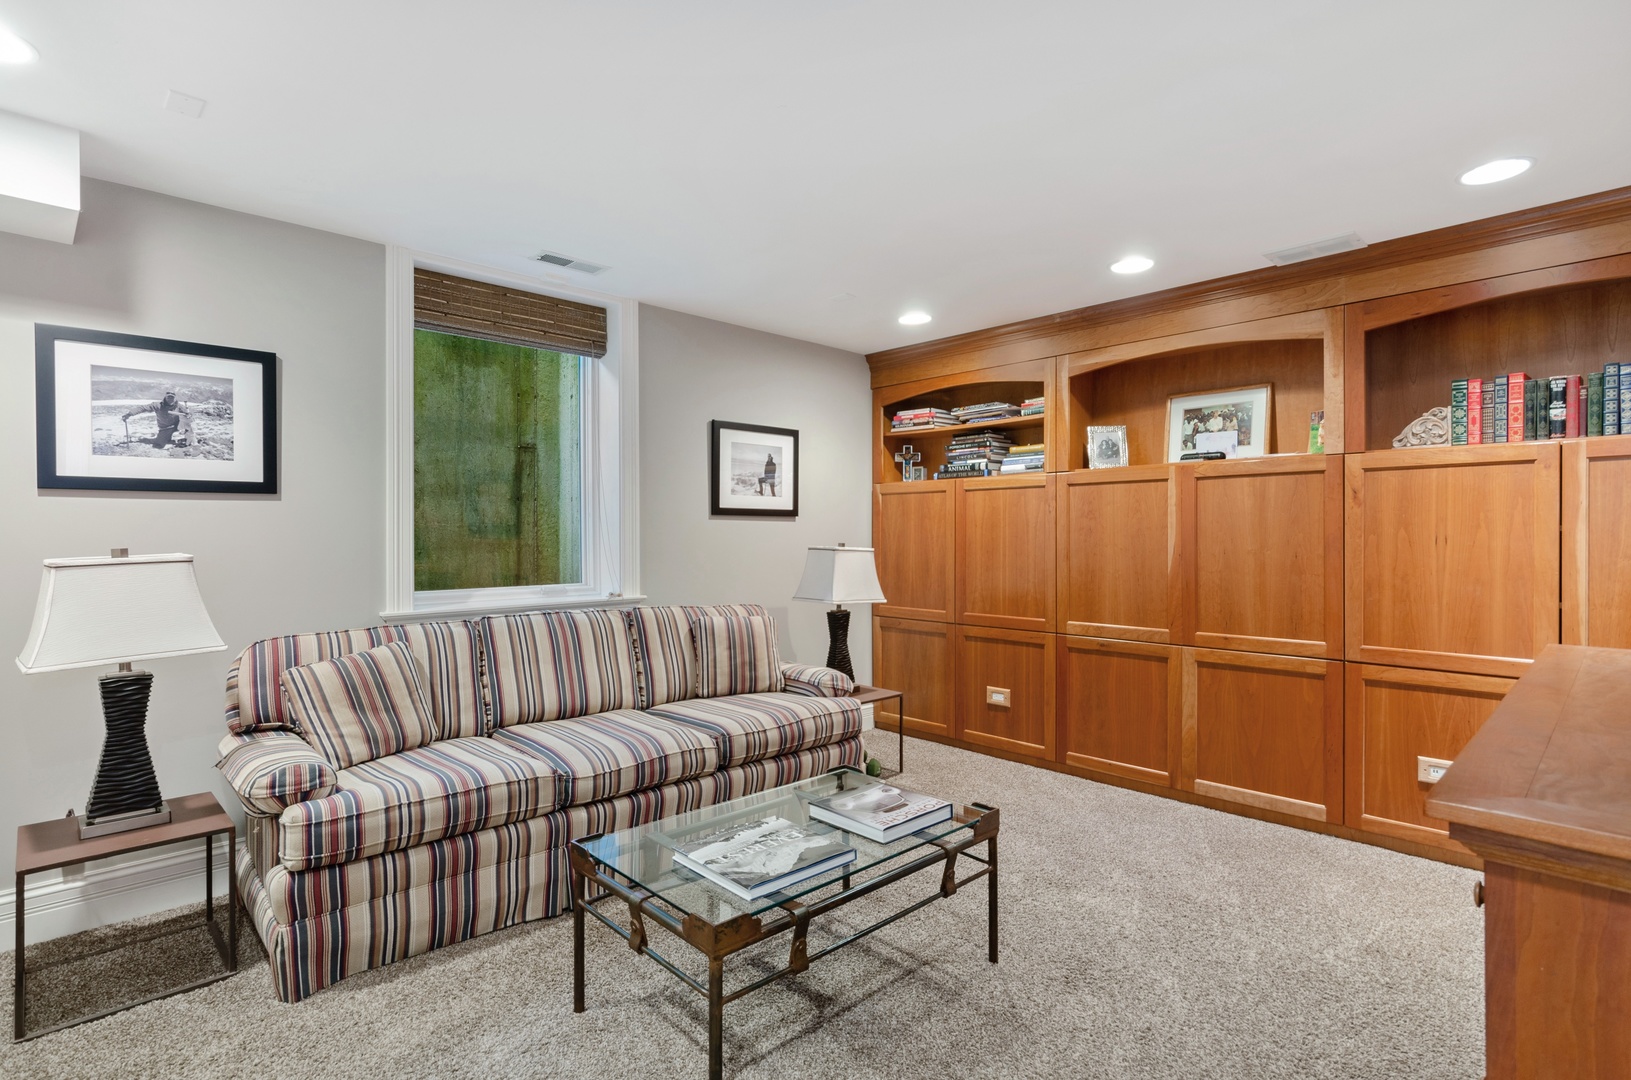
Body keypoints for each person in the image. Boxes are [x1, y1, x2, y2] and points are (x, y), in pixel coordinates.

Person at [123, 390, 193, 448]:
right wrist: (129, 414)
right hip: (165, 428)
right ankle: (167, 438)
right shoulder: (157, 405)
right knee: (159, 444)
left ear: (175, 399)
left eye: (172, 397)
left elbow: (188, 413)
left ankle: (190, 440)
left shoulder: (179, 406)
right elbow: (143, 408)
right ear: (165, 398)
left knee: (190, 424)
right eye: (168, 397)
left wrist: (189, 415)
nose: (170, 399)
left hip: (178, 425)